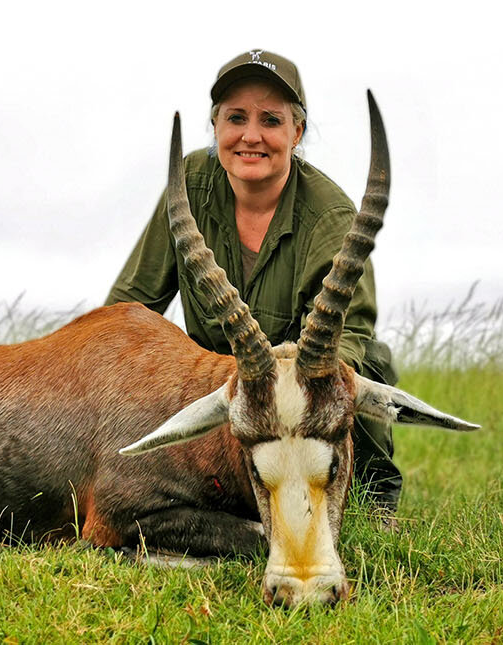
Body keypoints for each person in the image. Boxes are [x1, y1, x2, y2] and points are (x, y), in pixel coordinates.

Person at [104, 49, 404, 519]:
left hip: (303, 400)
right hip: (221, 395)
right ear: (216, 127)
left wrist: (290, 403)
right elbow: (127, 308)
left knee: (369, 368)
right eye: (236, 118)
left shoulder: (333, 217)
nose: (251, 136)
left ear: (296, 132)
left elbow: (348, 340)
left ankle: (375, 504)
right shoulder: (190, 186)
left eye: (271, 120)